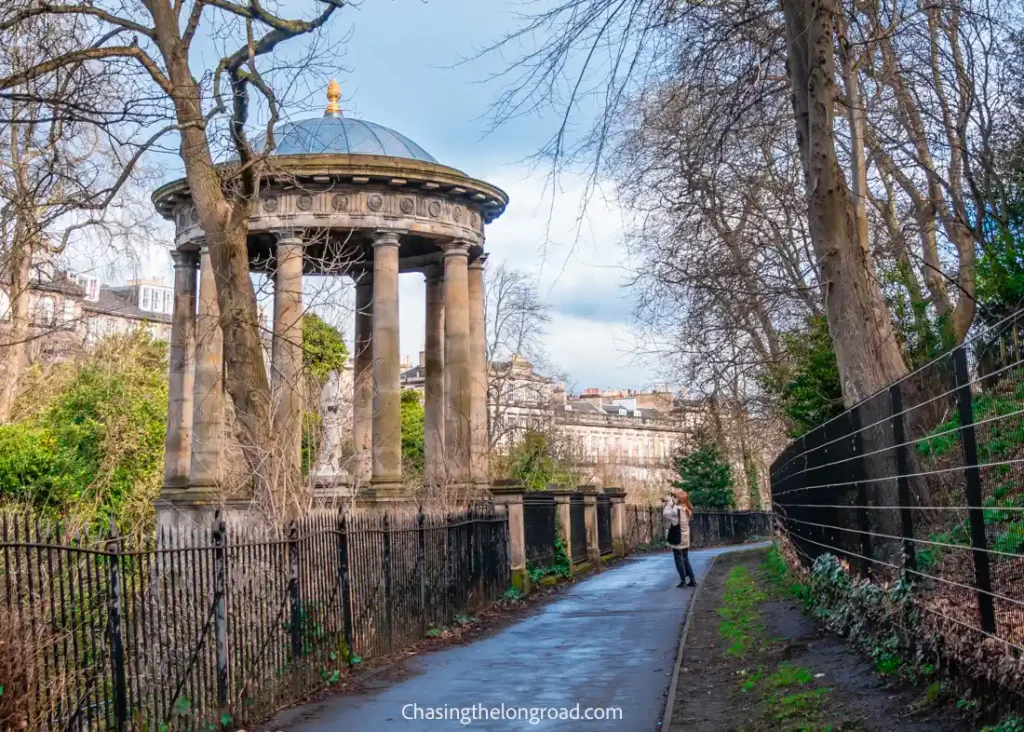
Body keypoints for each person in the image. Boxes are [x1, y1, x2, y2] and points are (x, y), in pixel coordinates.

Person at [663, 491, 696, 588]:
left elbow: (665, 513)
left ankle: (683, 581)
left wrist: (670, 502)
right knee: (685, 559)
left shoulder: (676, 510)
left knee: (678, 560)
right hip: (685, 537)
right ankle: (692, 580)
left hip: (678, 538)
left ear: (678, 499)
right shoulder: (687, 510)